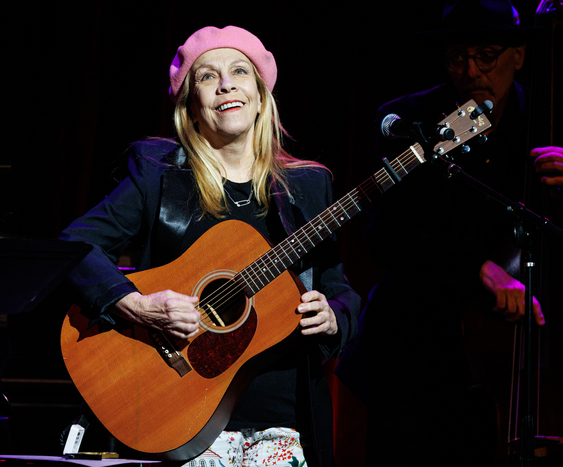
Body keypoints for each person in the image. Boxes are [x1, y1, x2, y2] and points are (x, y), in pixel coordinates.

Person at [59, 25, 360, 467]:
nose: (226, 85)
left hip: (283, 422)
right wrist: (137, 306)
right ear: (191, 106)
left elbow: (341, 288)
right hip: (177, 415)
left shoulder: (307, 187)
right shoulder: (157, 173)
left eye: (240, 71)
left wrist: (335, 316)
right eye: (207, 76)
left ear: (260, 97)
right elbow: (76, 245)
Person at [336, 0, 563, 465]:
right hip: (417, 355)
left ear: (518, 54)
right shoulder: (430, 121)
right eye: (458, 58)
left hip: (523, 354)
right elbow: (388, 233)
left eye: (486, 55)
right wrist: (478, 268)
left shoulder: (557, 116)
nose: (470, 71)